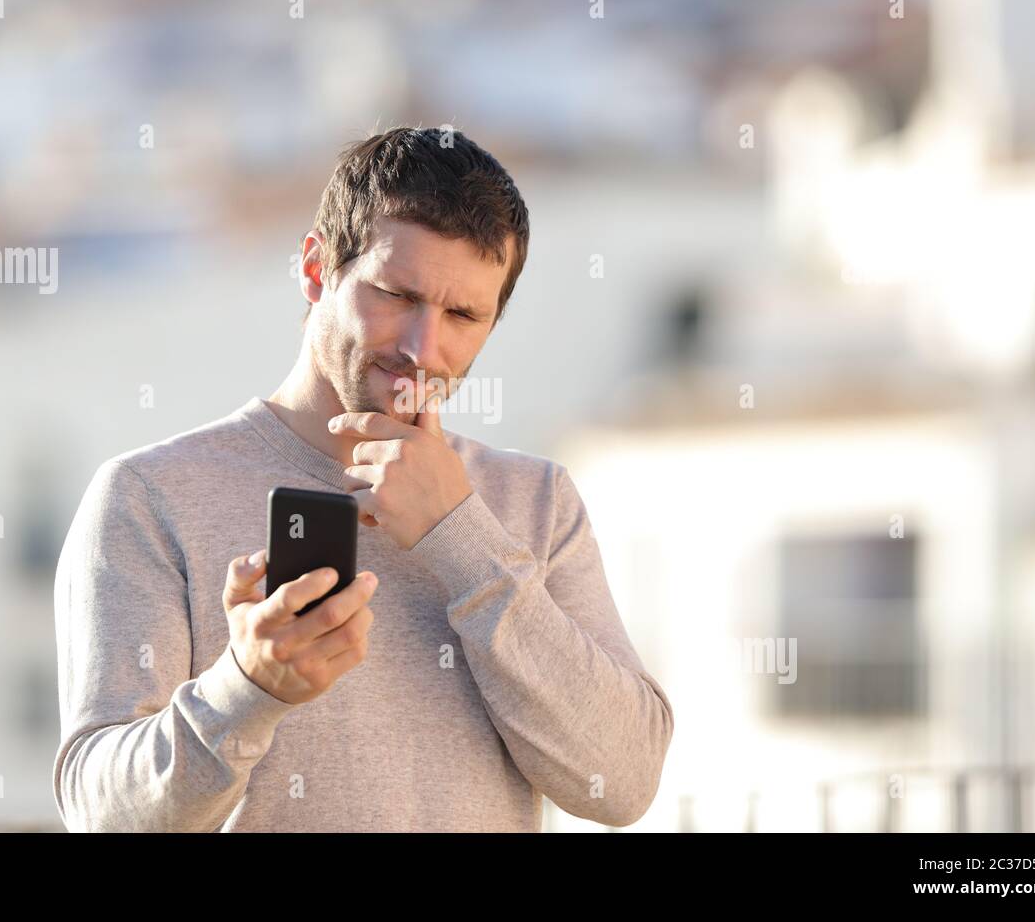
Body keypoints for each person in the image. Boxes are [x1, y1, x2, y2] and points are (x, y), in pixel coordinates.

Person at [52, 126, 675, 831]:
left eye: (463, 315)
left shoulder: (535, 502)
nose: (422, 347)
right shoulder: (148, 497)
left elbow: (622, 783)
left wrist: (459, 534)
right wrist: (246, 688)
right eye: (395, 295)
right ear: (316, 269)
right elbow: (100, 813)